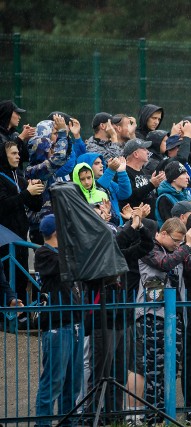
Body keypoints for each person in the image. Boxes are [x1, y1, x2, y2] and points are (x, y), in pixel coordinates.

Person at [134, 218, 191, 423]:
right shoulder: (149, 248)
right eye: (175, 240)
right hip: (152, 315)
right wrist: (187, 246)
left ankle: (165, 414)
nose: (178, 245)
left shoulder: (178, 251)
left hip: (175, 317)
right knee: (155, 370)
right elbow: (164, 264)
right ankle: (152, 417)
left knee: (171, 369)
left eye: (180, 241)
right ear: (163, 233)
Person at [34, 215, 84, 427]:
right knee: (53, 381)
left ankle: (67, 423)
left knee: (72, 383)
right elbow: (66, 264)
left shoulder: (63, 252)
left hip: (74, 324)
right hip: (57, 325)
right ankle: (42, 424)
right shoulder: (43, 253)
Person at [0, 141, 44, 303]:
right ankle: (5, 316)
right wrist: (27, 193)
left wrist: (37, 191)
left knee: (21, 276)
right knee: (5, 276)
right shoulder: (1, 177)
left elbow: (35, 206)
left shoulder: (19, 176)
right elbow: (3, 205)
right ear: (4, 155)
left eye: (18, 153)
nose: (18, 156)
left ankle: (22, 314)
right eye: (13, 153)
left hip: (20, 237)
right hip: (4, 238)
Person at [121, 138, 165, 220]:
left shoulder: (143, 172)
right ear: (136, 154)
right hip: (136, 221)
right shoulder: (124, 172)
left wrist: (157, 184)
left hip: (151, 221)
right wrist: (151, 185)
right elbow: (130, 195)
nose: (148, 152)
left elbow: (148, 194)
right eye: (144, 149)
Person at [155, 161, 191, 226]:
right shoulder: (164, 199)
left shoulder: (187, 194)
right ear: (174, 178)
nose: (188, 177)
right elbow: (172, 226)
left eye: (187, 173)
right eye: (183, 174)